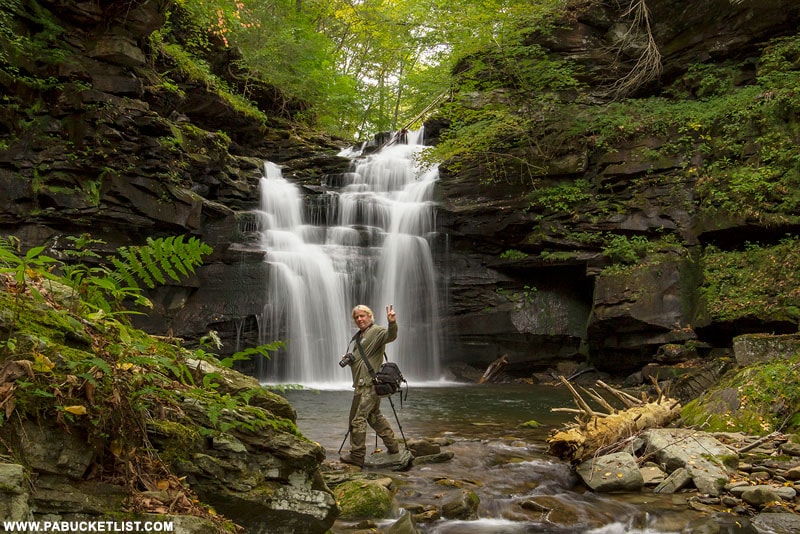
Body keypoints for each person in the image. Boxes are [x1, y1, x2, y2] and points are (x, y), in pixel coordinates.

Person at [340, 304, 400, 467]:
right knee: (375, 418)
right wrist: (351, 359)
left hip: (369, 384)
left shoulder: (378, 331)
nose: (360, 319)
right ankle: (393, 447)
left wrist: (392, 322)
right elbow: (361, 358)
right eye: (357, 317)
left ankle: (357, 456)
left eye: (362, 316)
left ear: (370, 316)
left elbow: (391, 336)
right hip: (361, 384)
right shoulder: (359, 337)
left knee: (358, 420)